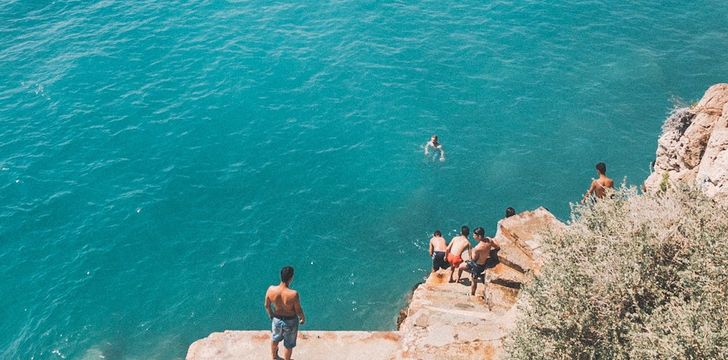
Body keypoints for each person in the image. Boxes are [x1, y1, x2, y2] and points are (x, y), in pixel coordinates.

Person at [264, 266, 305, 360]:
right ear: (291, 278)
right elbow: (298, 310)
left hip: (277, 319)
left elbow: (266, 305)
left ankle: (274, 357)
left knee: (275, 339)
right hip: (290, 322)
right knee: (288, 345)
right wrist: (302, 317)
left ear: (280, 276)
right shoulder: (293, 294)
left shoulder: (271, 289)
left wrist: (271, 315)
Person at [458, 227, 500, 296]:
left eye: (474, 235)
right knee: (463, 267)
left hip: (477, 266)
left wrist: (471, 251)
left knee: (473, 280)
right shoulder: (489, 240)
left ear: (479, 236)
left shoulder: (477, 248)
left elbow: (473, 260)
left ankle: (472, 294)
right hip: (484, 263)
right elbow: (497, 247)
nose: (473, 236)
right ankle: (481, 275)